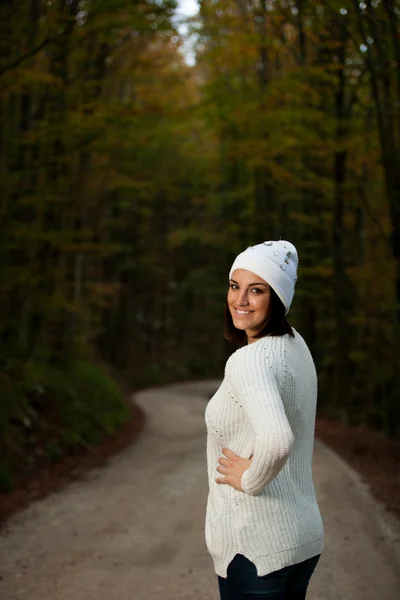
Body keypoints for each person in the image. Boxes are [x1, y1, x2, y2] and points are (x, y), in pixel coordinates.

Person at [204, 240, 324, 600]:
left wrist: (250, 479)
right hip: (300, 538)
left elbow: (278, 440)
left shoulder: (249, 360)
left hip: (255, 545)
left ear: (277, 298)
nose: (239, 300)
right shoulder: (296, 346)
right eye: (234, 286)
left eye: (256, 290)